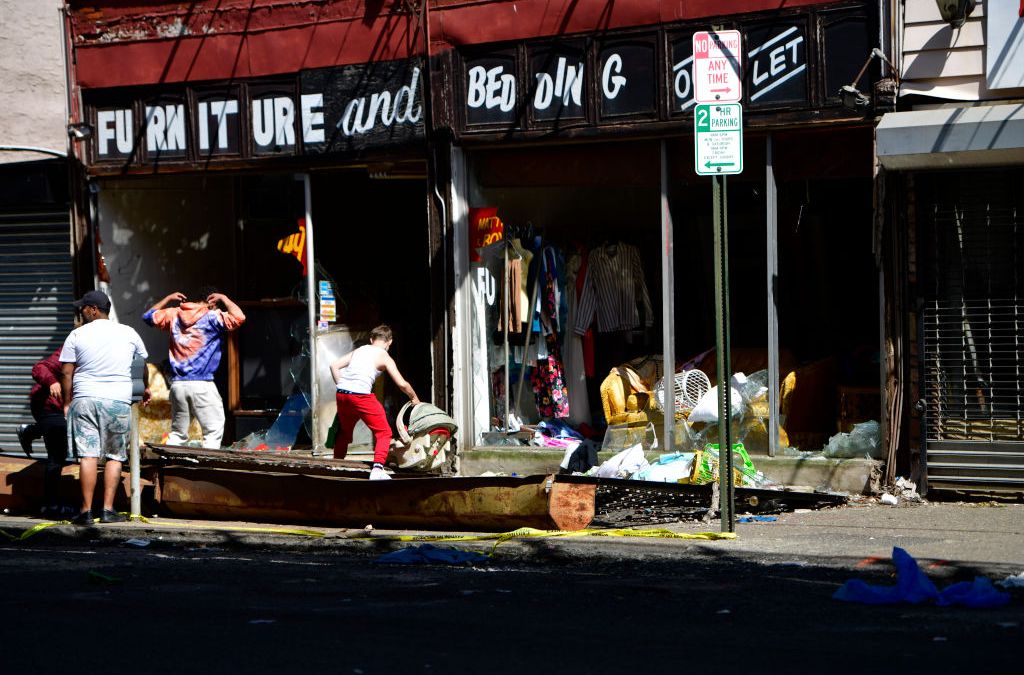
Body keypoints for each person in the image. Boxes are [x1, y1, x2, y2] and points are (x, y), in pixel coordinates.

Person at [60, 290, 150, 525]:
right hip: (117, 401)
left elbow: (67, 371)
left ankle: (86, 511)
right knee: (113, 456)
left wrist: (67, 402)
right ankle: (108, 510)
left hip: (85, 399)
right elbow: (142, 364)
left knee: (87, 455)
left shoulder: (77, 334)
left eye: (83, 308)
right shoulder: (128, 332)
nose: (81, 312)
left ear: (93, 310)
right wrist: (144, 388)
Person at [142, 288, 245, 448]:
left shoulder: (174, 314)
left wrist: (168, 298)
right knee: (212, 432)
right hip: (202, 385)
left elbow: (148, 317)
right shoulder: (212, 317)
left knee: (177, 434)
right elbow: (239, 317)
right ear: (212, 302)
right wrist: (225, 298)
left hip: (177, 386)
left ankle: (169, 467)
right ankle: (206, 471)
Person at [330, 324, 419, 480]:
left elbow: (334, 365)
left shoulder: (360, 350)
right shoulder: (384, 356)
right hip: (361, 396)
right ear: (389, 342)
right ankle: (377, 469)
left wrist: (343, 386)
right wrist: (414, 398)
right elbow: (402, 384)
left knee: (344, 432)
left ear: (371, 339)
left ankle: (336, 464)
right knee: (384, 433)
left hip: (342, 394)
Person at [15, 348, 73, 518]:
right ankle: (50, 505)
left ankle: (31, 430)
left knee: (63, 440)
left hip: (72, 408)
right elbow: (40, 367)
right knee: (57, 455)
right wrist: (52, 382)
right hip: (49, 405)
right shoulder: (70, 349)